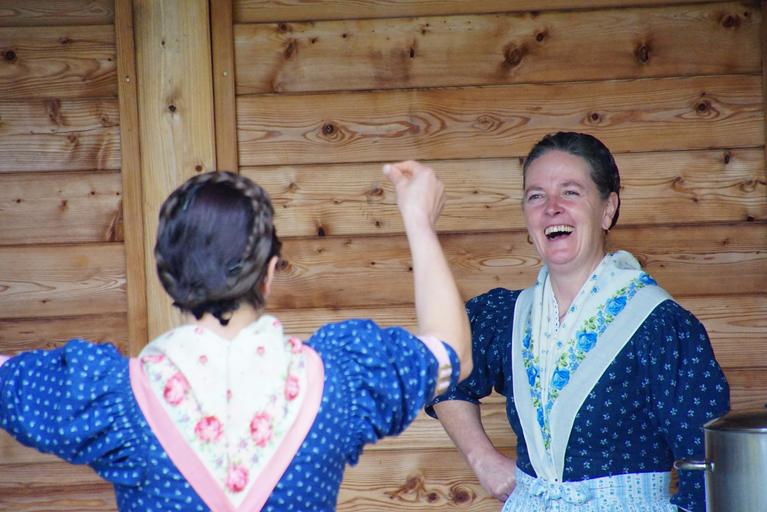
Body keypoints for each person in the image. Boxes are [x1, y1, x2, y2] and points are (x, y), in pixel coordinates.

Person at [0, 162, 471, 511]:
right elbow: (451, 352)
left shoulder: (110, 398)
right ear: (269, 273)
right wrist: (417, 219)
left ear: (169, 278)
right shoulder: (342, 381)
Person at [428, 132, 729, 512]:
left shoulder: (660, 327)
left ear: (607, 209)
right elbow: (440, 368)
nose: (551, 208)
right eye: (536, 196)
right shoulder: (508, 318)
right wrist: (482, 459)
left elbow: (707, 466)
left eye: (570, 192)